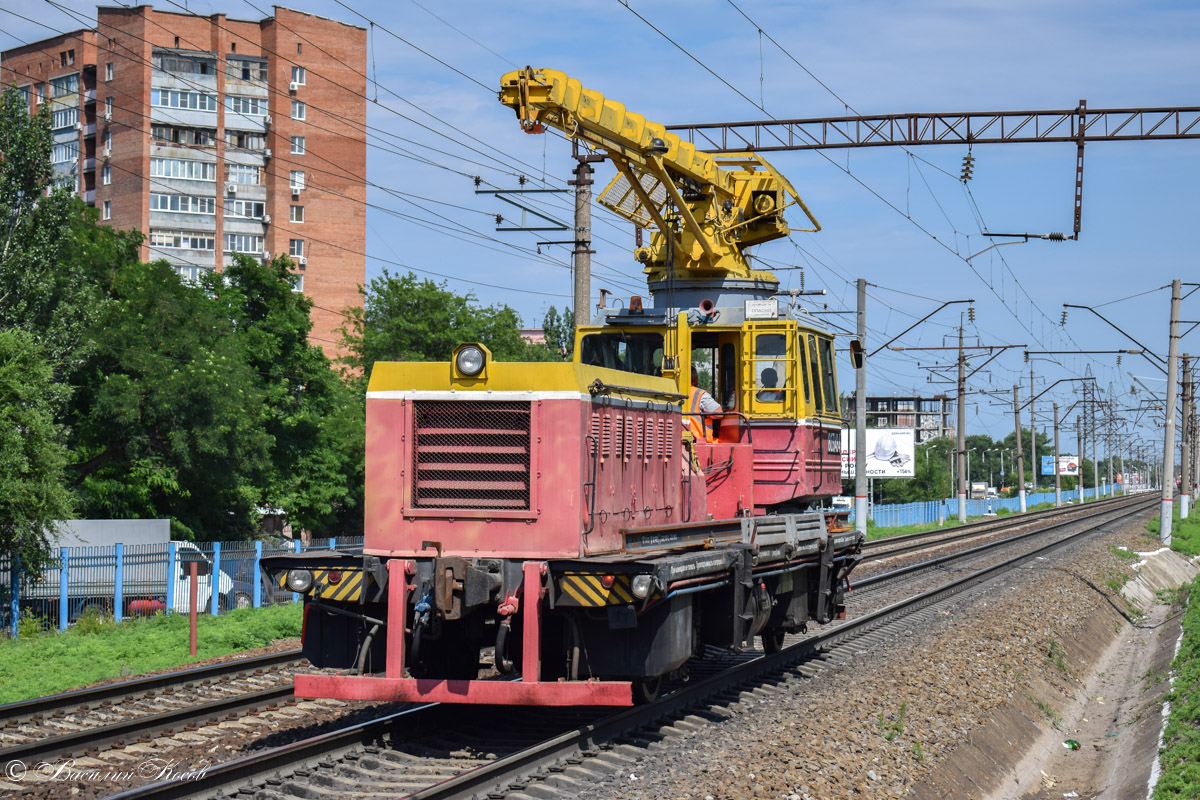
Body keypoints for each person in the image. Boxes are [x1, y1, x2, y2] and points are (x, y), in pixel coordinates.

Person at [684, 365, 721, 442]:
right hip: (697, 440)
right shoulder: (700, 394)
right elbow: (719, 413)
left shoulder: (672, 393)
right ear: (696, 379)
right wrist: (707, 414)